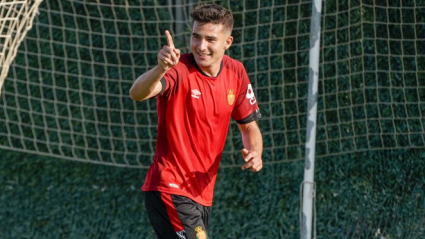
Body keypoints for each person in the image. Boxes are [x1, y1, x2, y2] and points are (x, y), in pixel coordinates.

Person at [129, 3, 263, 239]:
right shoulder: (178, 69)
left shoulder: (236, 72)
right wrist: (160, 69)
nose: (201, 46)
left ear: (227, 42)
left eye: (210, 39)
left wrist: (255, 153)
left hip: (202, 193)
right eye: (196, 37)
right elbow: (138, 93)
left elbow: (249, 126)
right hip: (170, 186)